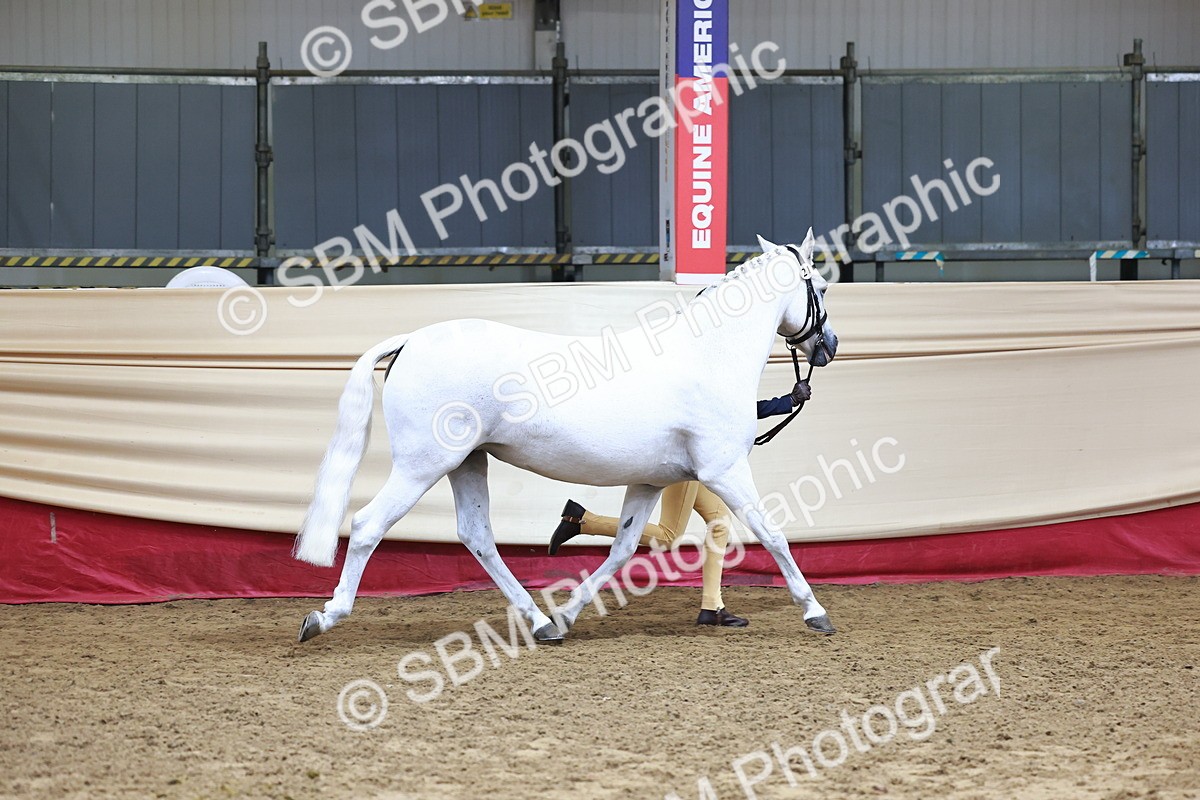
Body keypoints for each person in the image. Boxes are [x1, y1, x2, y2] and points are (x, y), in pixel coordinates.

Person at [547, 380, 813, 627]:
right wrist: (787, 400)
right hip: (685, 464)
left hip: (693, 461)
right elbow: (734, 414)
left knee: (720, 521)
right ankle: (582, 521)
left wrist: (788, 401)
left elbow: (735, 414)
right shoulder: (702, 381)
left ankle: (712, 606)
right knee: (668, 536)